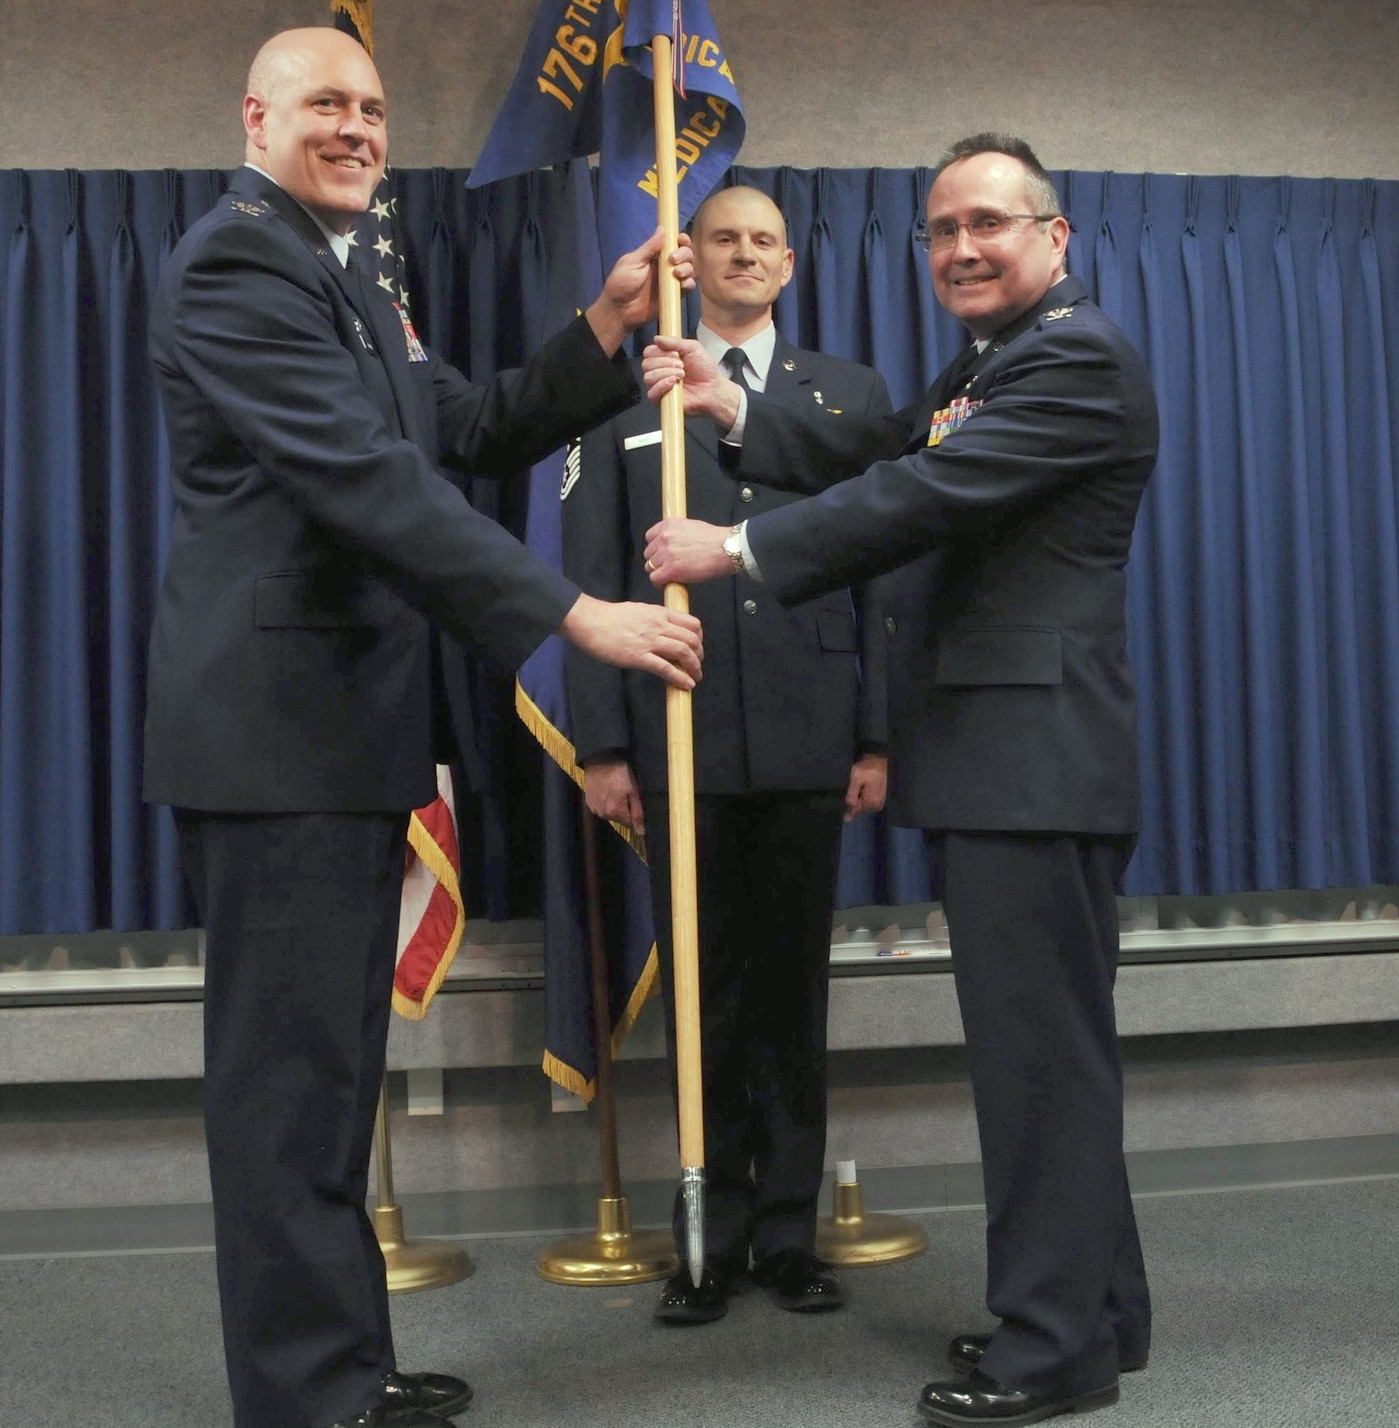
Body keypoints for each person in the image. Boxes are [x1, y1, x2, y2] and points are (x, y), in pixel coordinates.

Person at [142, 28, 703, 1428]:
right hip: (273, 745)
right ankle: (305, 1399)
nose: (357, 127)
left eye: (374, 108)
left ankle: (339, 1373)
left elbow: (463, 425)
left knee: (331, 1087)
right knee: (288, 1094)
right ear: (256, 115)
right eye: (326, 103)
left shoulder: (351, 278)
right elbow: (361, 485)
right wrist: (571, 616)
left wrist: (604, 332)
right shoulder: (234, 263)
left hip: (335, 738)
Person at [644, 135, 1156, 1426]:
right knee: (1054, 1064)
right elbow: (890, 451)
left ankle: (1052, 1351)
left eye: (989, 222)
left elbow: (923, 493)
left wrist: (737, 545)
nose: (962, 248)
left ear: (1057, 236)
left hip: (1031, 764)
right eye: (940, 230)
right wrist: (739, 412)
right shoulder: (998, 361)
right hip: (1004, 761)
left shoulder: (1075, 356)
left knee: (1040, 1069)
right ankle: (1099, 1314)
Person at [561, 183, 893, 1325]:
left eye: (764, 241)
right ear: (688, 261)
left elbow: (880, 570)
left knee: (792, 997)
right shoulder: (627, 395)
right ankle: (707, 1239)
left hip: (806, 733)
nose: (744, 254)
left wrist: (874, 734)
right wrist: (605, 746)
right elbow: (593, 579)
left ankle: (790, 1238)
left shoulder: (846, 398)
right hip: (677, 735)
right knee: (701, 997)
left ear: (790, 265)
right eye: (722, 239)